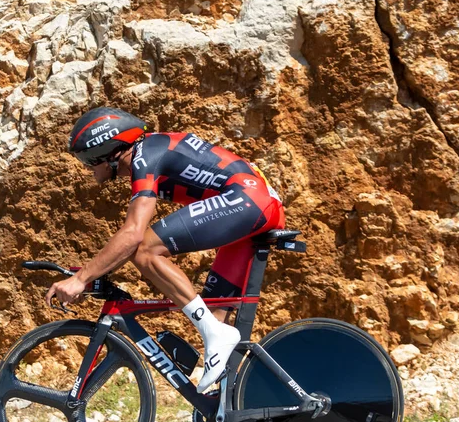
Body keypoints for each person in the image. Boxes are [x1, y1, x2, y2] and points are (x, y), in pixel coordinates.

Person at [46, 106, 285, 392]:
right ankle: (225, 404)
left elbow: (133, 235)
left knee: (145, 250)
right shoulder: (153, 150)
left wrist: (80, 279)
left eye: (88, 159)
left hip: (250, 202)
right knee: (216, 313)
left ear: (109, 151)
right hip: (254, 205)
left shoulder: (146, 154)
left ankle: (216, 337)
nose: (88, 168)